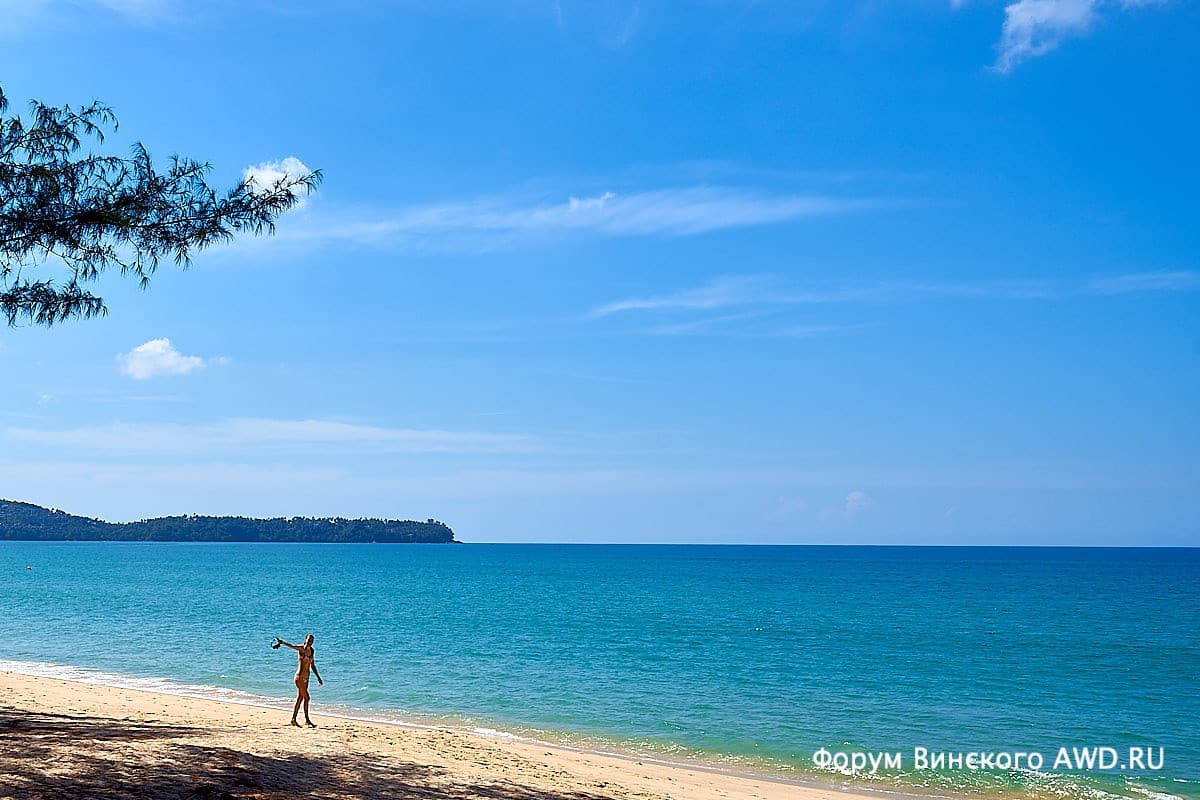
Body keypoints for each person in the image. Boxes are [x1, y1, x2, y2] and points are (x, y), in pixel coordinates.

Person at [273, 633, 323, 727]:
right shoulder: (301, 649)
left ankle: (293, 719)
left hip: (306, 679)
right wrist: (282, 642)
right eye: (308, 640)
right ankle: (307, 720)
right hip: (299, 678)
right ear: (305, 640)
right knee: (307, 698)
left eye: (311, 641)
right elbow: (292, 646)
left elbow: (312, 665)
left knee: (300, 698)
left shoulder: (312, 651)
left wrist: (318, 678)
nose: (309, 642)